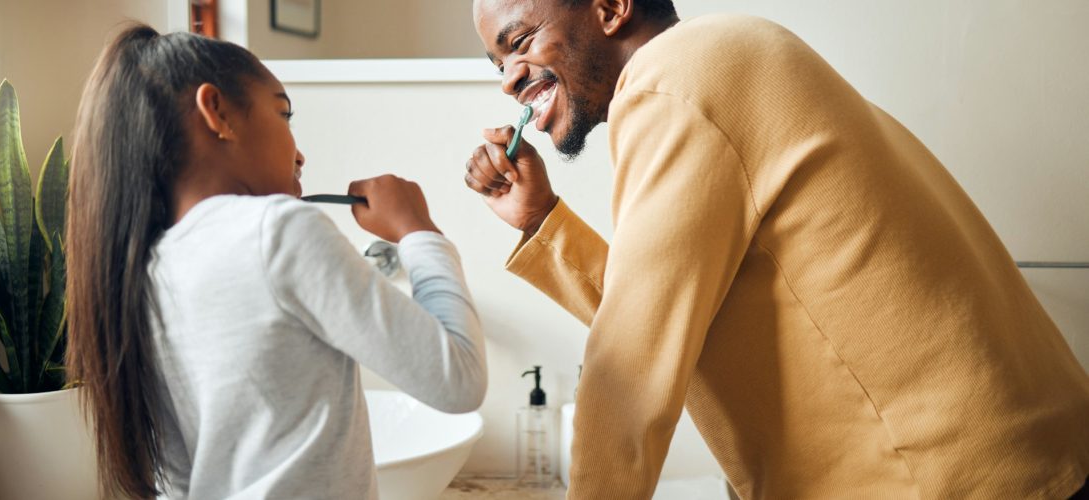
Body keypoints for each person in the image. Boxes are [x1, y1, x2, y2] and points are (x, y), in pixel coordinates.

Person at [463, 0, 1089, 498]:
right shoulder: (720, 58)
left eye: (518, 43)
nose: (510, 81)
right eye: (497, 64)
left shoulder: (671, 83)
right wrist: (542, 219)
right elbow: (666, 315)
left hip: (940, 479)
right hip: (1020, 459)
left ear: (610, 7)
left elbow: (630, 365)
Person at [65, 24, 487, 499]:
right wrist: (418, 230)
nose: (299, 152)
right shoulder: (278, 230)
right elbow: (459, 380)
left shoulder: (143, 267)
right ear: (217, 111)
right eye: (283, 114)